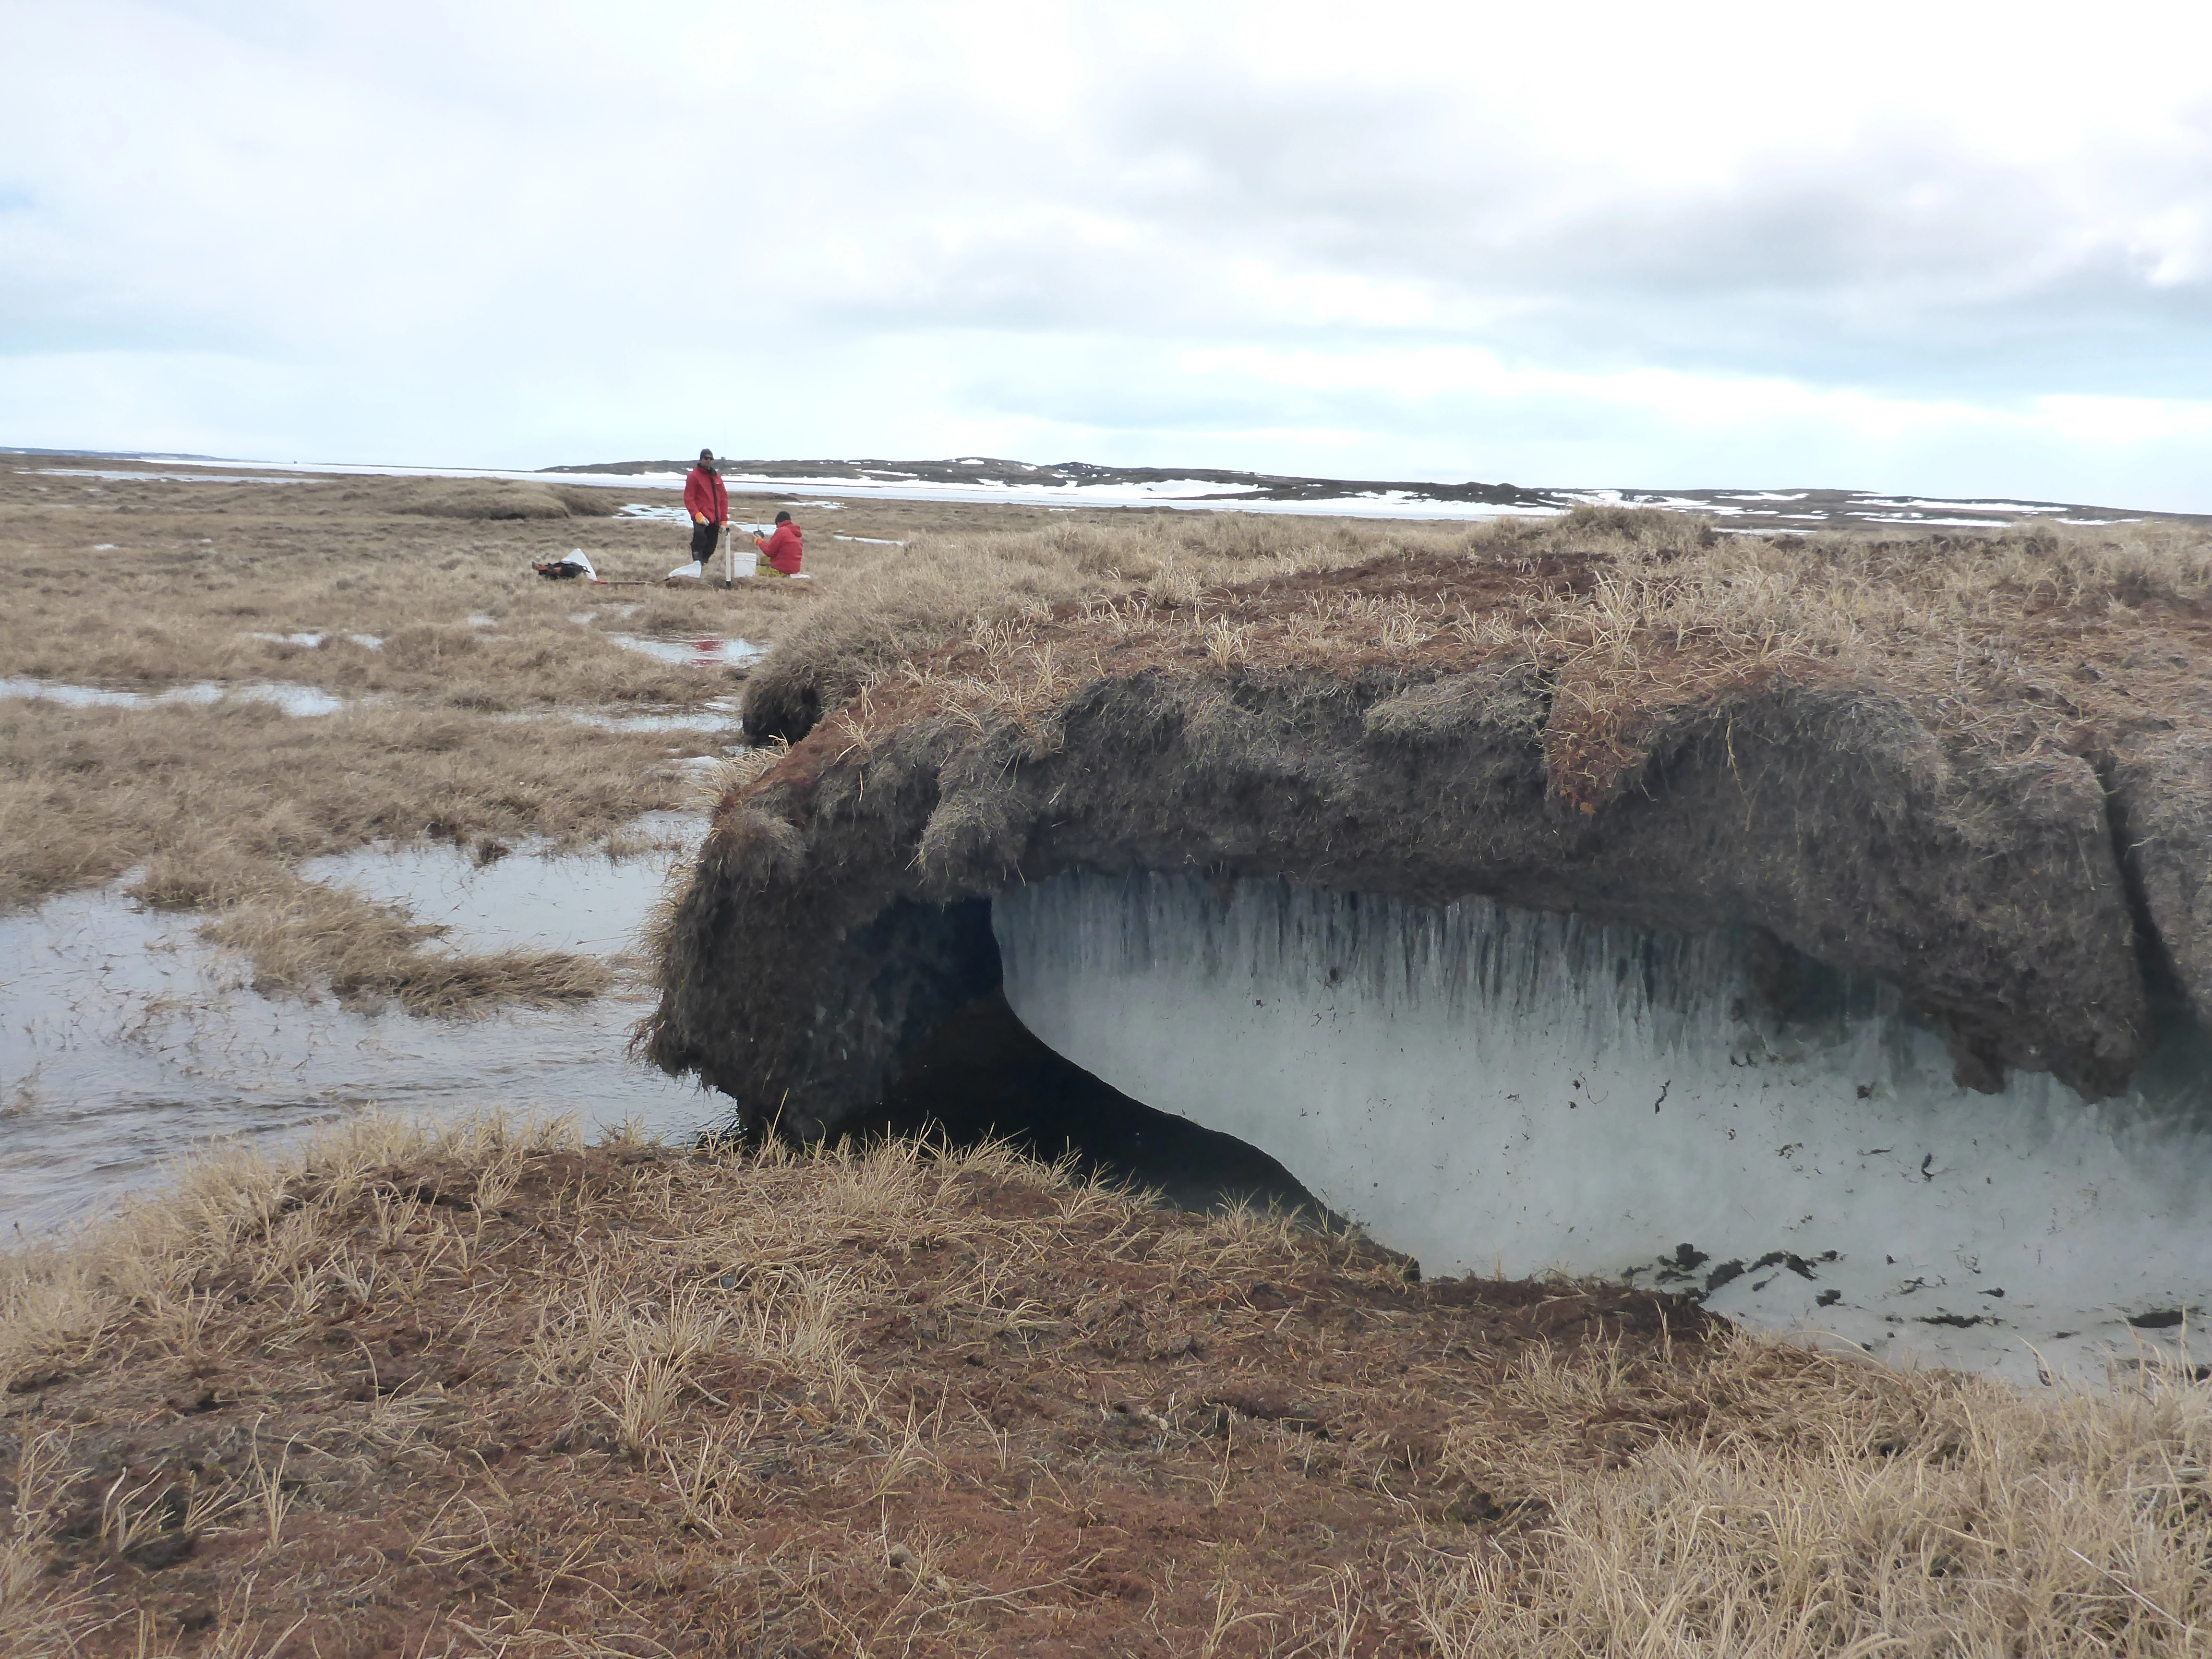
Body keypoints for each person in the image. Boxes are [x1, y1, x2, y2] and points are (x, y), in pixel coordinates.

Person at [683, 449, 729, 574]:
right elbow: (689, 498)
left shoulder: (717, 478)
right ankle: (697, 563)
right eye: (706, 458)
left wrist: (724, 521)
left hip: (715, 518)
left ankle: (703, 565)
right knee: (700, 538)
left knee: (712, 544)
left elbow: (723, 500)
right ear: (701, 459)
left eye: (710, 458)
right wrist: (697, 515)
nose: (708, 460)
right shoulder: (694, 476)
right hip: (701, 516)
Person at [755, 510, 803, 576]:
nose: (777, 528)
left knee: (755, 570)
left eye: (777, 525)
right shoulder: (795, 535)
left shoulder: (782, 531)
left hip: (781, 571)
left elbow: (769, 552)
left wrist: (759, 541)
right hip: (794, 572)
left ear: (779, 522)